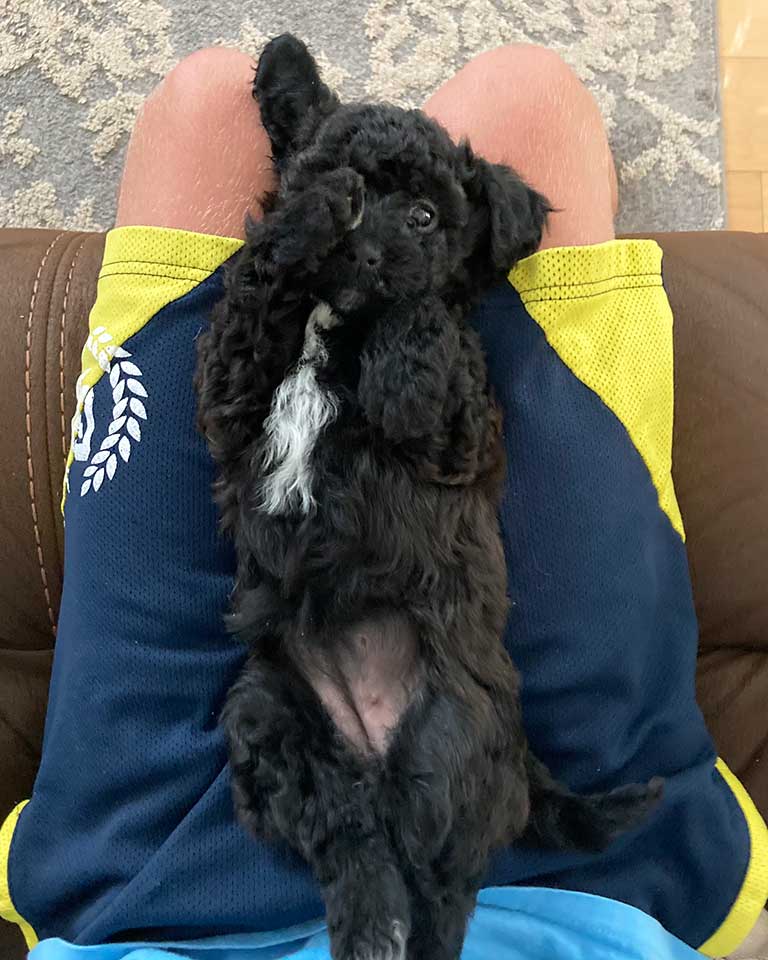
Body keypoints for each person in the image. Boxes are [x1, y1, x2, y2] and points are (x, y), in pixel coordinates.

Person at [2, 42, 766, 960]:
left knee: (207, 103)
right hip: (590, 898)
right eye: (358, 205)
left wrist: (300, 254)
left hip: (145, 893)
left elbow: (244, 388)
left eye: (408, 213)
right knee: (524, 94)